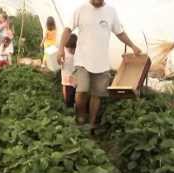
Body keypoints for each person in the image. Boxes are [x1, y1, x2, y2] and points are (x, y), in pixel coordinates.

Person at [57, 0, 142, 134]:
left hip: (101, 63)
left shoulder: (111, 11)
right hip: (82, 60)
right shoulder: (81, 9)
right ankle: (80, 119)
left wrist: (133, 46)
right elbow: (67, 29)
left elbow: (119, 32)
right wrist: (61, 48)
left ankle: (90, 125)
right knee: (82, 91)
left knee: (97, 95)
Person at [61, 34, 77, 107]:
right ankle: (67, 105)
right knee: (67, 91)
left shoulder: (77, 52)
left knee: (74, 91)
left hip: (74, 76)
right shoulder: (63, 52)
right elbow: (59, 62)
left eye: (73, 48)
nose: (71, 50)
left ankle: (73, 105)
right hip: (66, 77)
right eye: (69, 48)